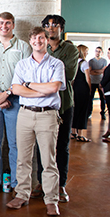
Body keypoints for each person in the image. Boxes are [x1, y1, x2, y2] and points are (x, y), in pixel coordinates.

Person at [7, 26, 65, 217]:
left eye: (41, 38)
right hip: (25, 114)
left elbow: (55, 87)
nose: (37, 41)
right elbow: (16, 89)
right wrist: (42, 90)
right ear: (30, 41)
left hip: (47, 115)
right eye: (34, 39)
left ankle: (51, 200)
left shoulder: (56, 64)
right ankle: (22, 194)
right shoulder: (22, 65)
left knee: (48, 161)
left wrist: (29, 85)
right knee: (23, 158)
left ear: (47, 40)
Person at [0, 12, 32, 196]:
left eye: (8, 23)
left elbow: (27, 76)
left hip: (15, 100)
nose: (4, 26)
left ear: (13, 25)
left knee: (15, 143)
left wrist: (7, 94)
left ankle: (18, 183)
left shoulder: (23, 47)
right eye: (1, 23)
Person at [32, 14, 78, 203]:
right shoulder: (40, 47)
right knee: (42, 147)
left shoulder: (70, 49)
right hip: (43, 105)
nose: (51, 28)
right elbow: (33, 74)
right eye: (47, 25)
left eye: (55, 25)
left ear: (61, 28)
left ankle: (60, 185)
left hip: (64, 105)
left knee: (62, 147)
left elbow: (67, 75)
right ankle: (43, 182)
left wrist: (44, 79)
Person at [71, 44, 92, 142]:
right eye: (86, 51)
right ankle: (80, 134)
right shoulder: (84, 63)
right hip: (82, 88)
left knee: (75, 109)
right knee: (83, 110)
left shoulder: (74, 62)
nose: (87, 53)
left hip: (74, 88)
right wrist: (90, 89)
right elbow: (88, 78)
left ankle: (73, 132)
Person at [88, 46, 107, 120]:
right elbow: (90, 72)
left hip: (101, 81)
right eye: (96, 51)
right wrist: (99, 71)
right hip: (92, 81)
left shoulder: (104, 61)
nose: (97, 52)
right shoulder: (91, 61)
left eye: (99, 51)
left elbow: (104, 71)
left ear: (101, 53)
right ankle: (89, 113)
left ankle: (103, 113)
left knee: (102, 98)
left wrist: (95, 71)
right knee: (90, 98)